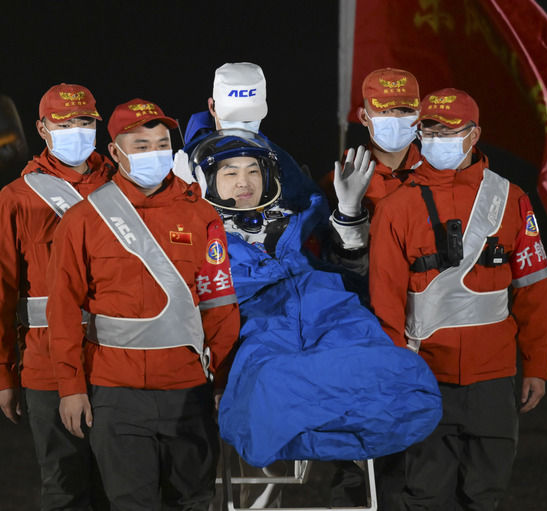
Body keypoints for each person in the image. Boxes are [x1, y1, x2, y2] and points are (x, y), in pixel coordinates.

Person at [184, 131, 442, 506]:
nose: (244, 181)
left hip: (330, 307)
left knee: (398, 371)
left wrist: (349, 211)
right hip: (262, 320)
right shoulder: (196, 233)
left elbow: (352, 268)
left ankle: (334, 424)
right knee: (268, 381)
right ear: (206, 180)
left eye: (253, 171)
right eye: (231, 172)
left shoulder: (301, 217)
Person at [45, 99, 240, 510]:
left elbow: (219, 304)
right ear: (115, 152)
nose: (154, 153)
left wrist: (223, 381)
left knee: (194, 501)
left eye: (162, 144)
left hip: (188, 391)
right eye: (141, 145)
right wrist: (71, 387)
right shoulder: (83, 220)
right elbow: (62, 309)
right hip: (116, 395)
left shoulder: (202, 215)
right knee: (130, 503)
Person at [369, 88, 547, 509]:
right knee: (425, 495)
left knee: (485, 496)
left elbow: (535, 288)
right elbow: (386, 304)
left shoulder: (511, 198)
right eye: (430, 131)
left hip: (494, 378)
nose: (437, 140)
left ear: (474, 135)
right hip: (425, 376)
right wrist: (398, 376)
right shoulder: (396, 208)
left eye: (449, 131)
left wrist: (537, 365)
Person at [0, 83, 113, 510]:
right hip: (48, 365)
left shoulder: (124, 187)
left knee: (124, 488)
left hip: (121, 363)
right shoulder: (14, 202)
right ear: (42, 129)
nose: (77, 131)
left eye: (84, 122)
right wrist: (1, 374)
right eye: (64, 123)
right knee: (65, 489)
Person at [181, 61, 321, 212]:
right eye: (232, 118)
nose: (240, 126)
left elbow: (312, 205)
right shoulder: (186, 160)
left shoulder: (279, 160)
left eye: (249, 118)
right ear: (212, 107)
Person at [321, 67, 422, 215]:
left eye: (405, 110)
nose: (395, 118)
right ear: (364, 117)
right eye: (384, 111)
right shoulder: (337, 182)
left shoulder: (439, 175)